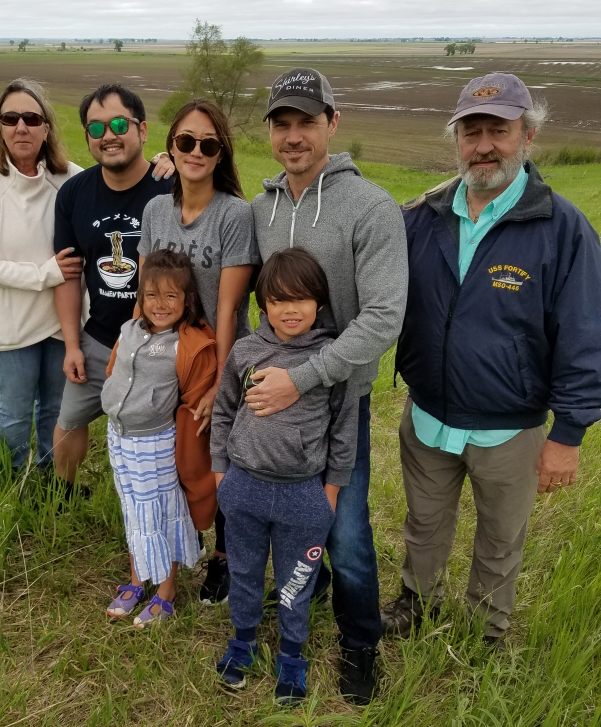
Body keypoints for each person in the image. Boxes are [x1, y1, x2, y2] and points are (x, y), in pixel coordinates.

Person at [382, 73, 601, 646]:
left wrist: (569, 433)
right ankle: (416, 601)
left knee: (501, 538)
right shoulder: (422, 217)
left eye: (498, 130)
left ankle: (487, 630)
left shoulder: (563, 229)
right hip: (428, 414)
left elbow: (584, 335)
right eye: (471, 131)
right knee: (424, 524)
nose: (484, 145)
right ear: (456, 139)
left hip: (510, 427)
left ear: (527, 135)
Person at [248, 68, 408, 703]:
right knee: (287, 509)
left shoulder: (369, 206)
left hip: (340, 399)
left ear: (332, 124)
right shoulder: (261, 208)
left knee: (344, 528)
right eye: (282, 124)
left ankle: (361, 642)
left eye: (306, 122)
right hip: (275, 400)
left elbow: (384, 316)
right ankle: (299, 593)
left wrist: (304, 378)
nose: (293, 136)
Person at [211, 248, 357, 705]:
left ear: (319, 303)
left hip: (303, 496)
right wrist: (221, 476)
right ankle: (243, 642)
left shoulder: (331, 359)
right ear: (263, 305)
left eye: (301, 299)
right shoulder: (246, 352)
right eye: (278, 300)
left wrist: (330, 491)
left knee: (297, 580)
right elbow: (223, 412)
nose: (289, 310)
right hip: (244, 489)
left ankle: (292, 656)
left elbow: (344, 427)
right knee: (246, 570)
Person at [138, 99, 258, 605]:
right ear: (170, 145)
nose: (195, 151)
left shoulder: (234, 215)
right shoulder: (154, 210)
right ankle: (171, 546)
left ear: (220, 154)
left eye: (208, 144)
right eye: (185, 141)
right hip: (168, 356)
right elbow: (142, 292)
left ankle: (224, 559)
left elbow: (228, 309)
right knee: (172, 454)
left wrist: (220, 385)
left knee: (219, 456)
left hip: (215, 355)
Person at [0, 78, 83, 475]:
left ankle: (47, 475)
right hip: (8, 325)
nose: (21, 127)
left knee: (56, 406)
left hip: (60, 323)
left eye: (31, 117)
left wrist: (164, 163)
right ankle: (15, 479)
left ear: (47, 127)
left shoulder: (70, 178)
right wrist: (43, 273)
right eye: (10, 118)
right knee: (15, 409)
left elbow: (117, 184)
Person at [51, 84, 174, 494]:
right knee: (69, 421)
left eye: (120, 124)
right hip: (100, 337)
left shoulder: (169, 188)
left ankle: (165, 504)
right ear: (87, 137)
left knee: (168, 431)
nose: (109, 135)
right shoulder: (74, 194)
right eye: (97, 127)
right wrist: (72, 344)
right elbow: (69, 273)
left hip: (163, 343)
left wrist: (175, 160)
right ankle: (63, 496)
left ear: (142, 130)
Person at [102, 249, 217, 628]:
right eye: (151, 295)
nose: (160, 304)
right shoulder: (130, 329)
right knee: (132, 510)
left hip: (154, 442)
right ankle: (138, 580)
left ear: (187, 300)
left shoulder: (188, 343)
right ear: (140, 296)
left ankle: (165, 592)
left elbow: (198, 396)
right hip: (118, 435)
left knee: (159, 515)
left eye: (171, 295)